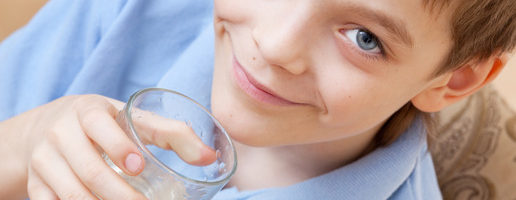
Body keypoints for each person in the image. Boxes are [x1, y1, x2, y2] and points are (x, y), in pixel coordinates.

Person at [0, 0, 514, 199]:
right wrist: (21, 146)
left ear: (456, 79)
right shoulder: (130, 12)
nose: (274, 44)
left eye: (363, 37)